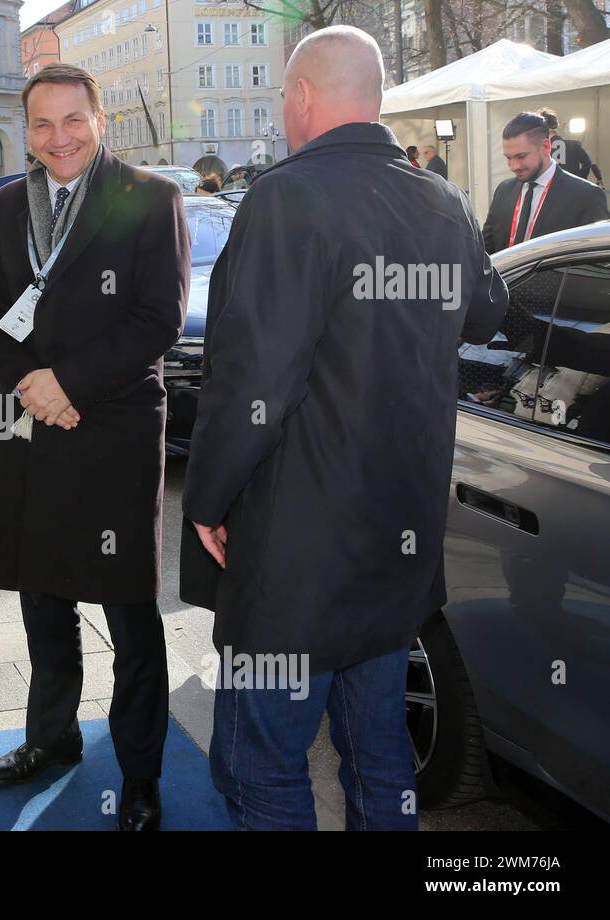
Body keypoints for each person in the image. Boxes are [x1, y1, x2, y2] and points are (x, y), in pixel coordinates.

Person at [179, 26, 509, 831]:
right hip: (396, 546)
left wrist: (206, 498)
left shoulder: (286, 198)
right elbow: (492, 311)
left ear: (301, 98)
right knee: (379, 756)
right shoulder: (442, 200)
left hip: (297, 559)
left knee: (263, 766)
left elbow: (250, 383)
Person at [0, 62, 189, 831]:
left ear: (101, 121)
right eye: (41, 124)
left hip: (116, 429)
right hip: (34, 426)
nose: (57, 138)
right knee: (43, 596)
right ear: (26, 131)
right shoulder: (3, 206)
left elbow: (158, 317)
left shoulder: (149, 196)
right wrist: (31, 383)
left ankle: (139, 773)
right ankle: (51, 738)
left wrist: (70, 385)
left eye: (72, 120)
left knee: (130, 612)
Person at [482, 111, 610, 254]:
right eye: (508, 158)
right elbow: (485, 250)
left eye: (521, 156)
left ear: (546, 147)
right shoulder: (504, 190)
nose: (514, 166)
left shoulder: (587, 196)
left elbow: (597, 262)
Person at [541, 107, 603, 185]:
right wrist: (580, 177)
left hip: (551, 186)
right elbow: (587, 163)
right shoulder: (573, 145)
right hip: (573, 185)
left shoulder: (541, 148)